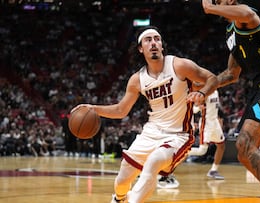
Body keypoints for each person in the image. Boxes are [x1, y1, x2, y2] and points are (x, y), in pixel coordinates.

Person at [71, 26, 218, 203]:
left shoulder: (179, 65)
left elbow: (212, 78)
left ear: (162, 46)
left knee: (153, 162)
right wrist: (93, 108)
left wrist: (202, 94)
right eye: (148, 40)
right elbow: (121, 110)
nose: (153, 43)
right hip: (151, 132)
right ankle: (119, 199)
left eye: (157, 39)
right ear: (141, 48)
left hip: (178, 135)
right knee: (122, 180)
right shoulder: (137, 80)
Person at [202, 1, 260, 203]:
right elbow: (231, 74)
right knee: (244, 155)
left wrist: (210, 8)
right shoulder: (230, 32)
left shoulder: (246, 16)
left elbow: (247, 13)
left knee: (244, 143)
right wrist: (202, 89)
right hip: (259, 87)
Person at [157, 89, 226, 189]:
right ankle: (176, 154)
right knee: (202, 150)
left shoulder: (216, 91)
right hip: (206, 123)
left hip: (214, 121)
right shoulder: (203, 93)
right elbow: (193, 110)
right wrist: (198, 108)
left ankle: (213, 170)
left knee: (221, 145)